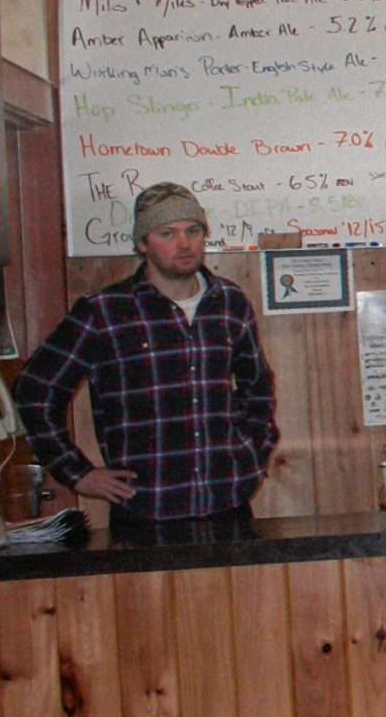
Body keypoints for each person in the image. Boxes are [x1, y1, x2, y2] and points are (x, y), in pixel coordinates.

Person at [16, 183, 279, 521]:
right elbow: (34, 390)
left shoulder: (229, 301)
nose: (183, 243)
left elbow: (257, 384)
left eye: (193, 231)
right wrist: (77, 473)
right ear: (142, 243)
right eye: (167, 233)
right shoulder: (105, 311)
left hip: (227, 500)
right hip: (146, 507)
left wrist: (254, 452)